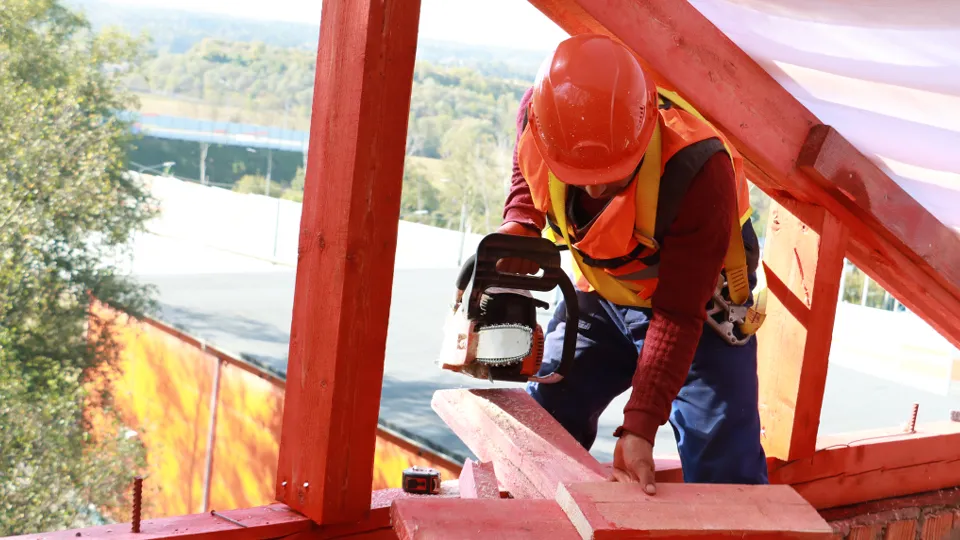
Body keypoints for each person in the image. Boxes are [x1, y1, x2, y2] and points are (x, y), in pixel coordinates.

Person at [496, 33, 768, 494]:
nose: (596, 191)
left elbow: (678, 314)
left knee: (725, 469)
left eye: (611, 174)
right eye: (580, 177)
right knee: (544, 425)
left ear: (645, 135)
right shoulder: (543, 117)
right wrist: (521, 221)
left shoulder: (698, 170)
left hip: (696, 314)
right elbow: (529, 169)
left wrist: (639, 426)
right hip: (601, 297)